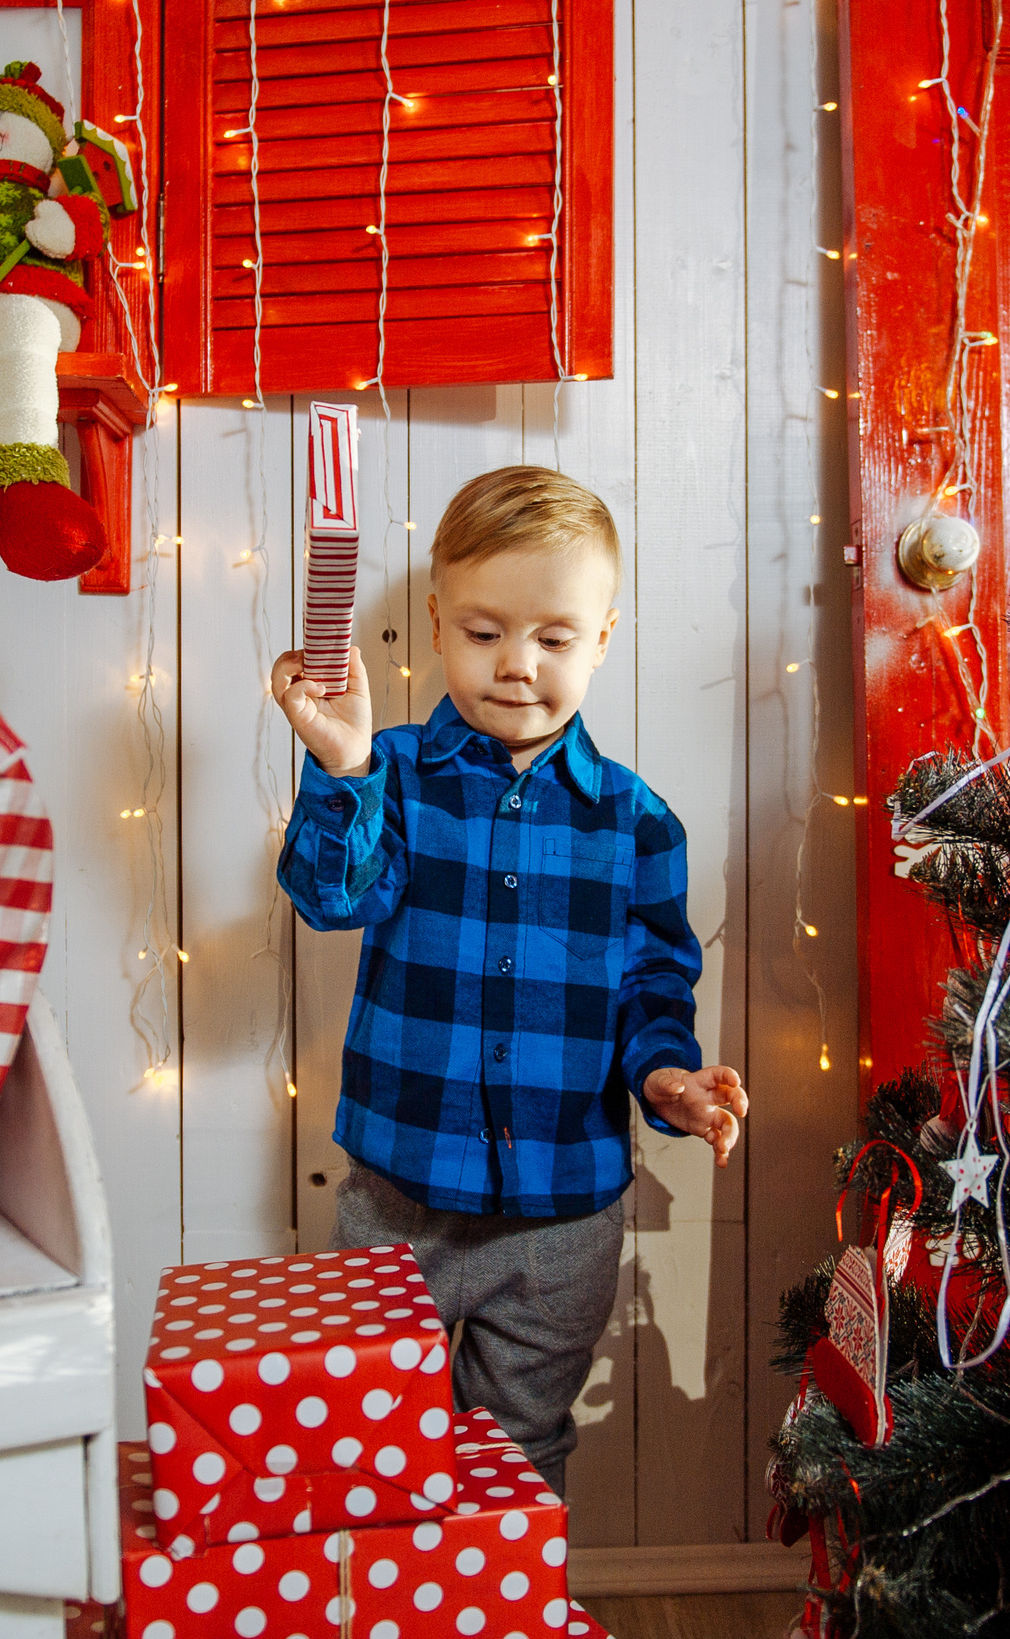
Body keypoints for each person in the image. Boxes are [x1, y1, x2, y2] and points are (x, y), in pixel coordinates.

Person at [271, 464, 746, 1497]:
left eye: (554, 637)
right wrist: (342, 770)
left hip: (562, 1218)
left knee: (518, 1457)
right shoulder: (386, 771)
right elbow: (328, 895)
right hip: (398, 1201)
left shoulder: (637, 821)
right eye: (484, 632)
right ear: (436, 624)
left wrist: (666, 1076)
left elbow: (652, 984)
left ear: (603, 637)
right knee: (376, 1454)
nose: (517, 665)